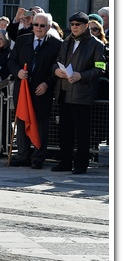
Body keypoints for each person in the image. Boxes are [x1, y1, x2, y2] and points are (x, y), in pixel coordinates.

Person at [50, 12, 106, 174]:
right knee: (64, 130)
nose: (74, 27)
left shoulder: (95, 44)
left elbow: (100, 68)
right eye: (72, 24)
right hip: (64, 91)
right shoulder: (66, 41)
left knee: (82, 131)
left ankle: (81, 164)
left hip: (82, 93)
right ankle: (65, 162)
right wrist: (56, 71)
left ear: (86, 26)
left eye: (78, 24)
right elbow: (57, 61)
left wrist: (81, 75)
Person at [8, 12, 62, 169]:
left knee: (41, 125)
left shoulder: (57, 44)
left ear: (49, 27)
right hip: (23, 88)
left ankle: (38, 157)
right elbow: (11, 60)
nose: (38, 28)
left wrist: (47, 84)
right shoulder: (22, 39)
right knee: (22, 121)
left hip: (41, 91)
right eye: (36, 25)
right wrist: (17, 71)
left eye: (42, 26)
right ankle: (23, 155)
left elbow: (57, 68)